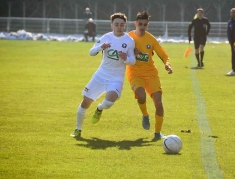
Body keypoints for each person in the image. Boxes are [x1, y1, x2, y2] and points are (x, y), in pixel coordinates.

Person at [71, 13, 136, 137]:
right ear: (112, 25)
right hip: (101, 75)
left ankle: (100, 108)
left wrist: (126, 58)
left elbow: (132, 60)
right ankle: (78, 129)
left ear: (125, 25)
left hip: (116, 78)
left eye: (122, 25)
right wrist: (101, 47)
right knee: (85, 103)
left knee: (109, 102)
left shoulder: (129, 41)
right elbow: (91, 52)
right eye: (116, 24)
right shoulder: (106, 37)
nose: (119, 27)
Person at [126, 11, 172, 139]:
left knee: (159, 103)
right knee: (141, 97)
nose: (142, 27)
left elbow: (163, 54)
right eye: (140, 24)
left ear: (148, 25)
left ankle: (157, 133)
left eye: (145, 25)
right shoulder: (128, 38)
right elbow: (120, 51)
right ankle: (145, 114)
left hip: (151, 74)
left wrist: (167, 64)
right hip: (135, 73)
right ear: (135, 23)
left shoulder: (151, 40)